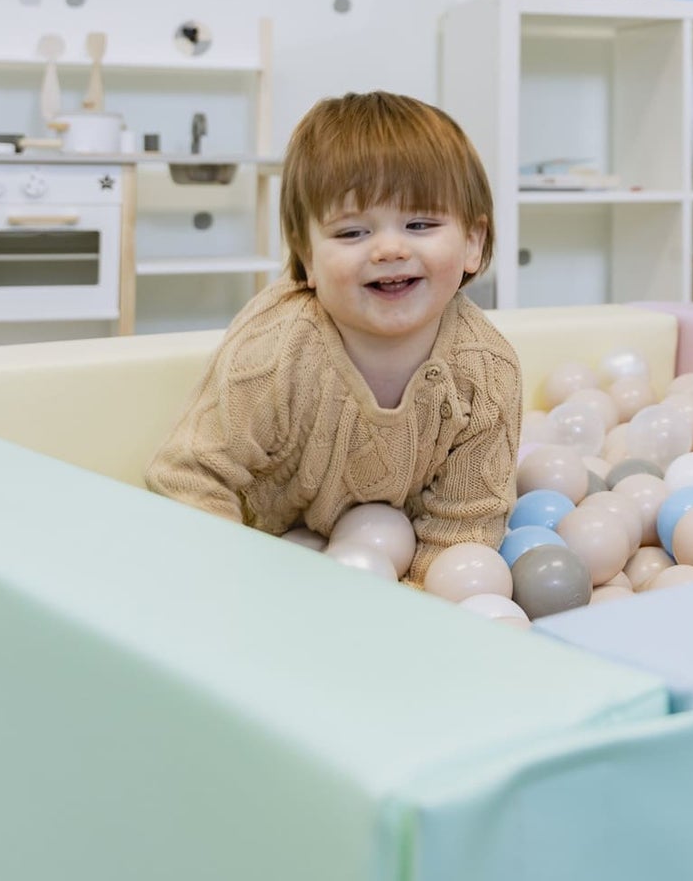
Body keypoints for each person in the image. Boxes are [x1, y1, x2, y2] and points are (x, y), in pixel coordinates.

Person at [145, 91, 522, 587]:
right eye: (352, 234)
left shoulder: (486, 372)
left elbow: (464, 525)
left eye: (420, 224)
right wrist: (230, 586)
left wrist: (414, 607)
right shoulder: (274, 353)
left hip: (389, 564)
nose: (389, 249)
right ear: (306, 256)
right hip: (264, 548)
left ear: (473, 243)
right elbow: (189, 479)